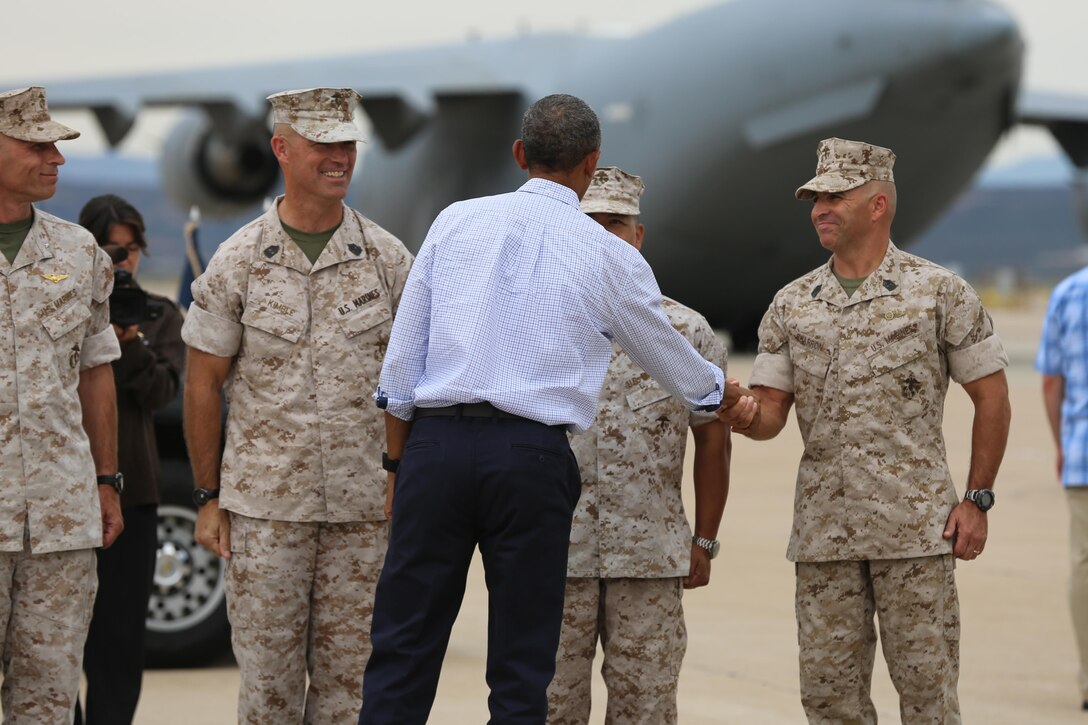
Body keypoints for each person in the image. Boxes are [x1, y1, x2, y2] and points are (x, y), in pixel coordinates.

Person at [361, 94, 728, 725]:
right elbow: (665, 351)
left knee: (403, 647)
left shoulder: (454, 222)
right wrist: (725, 396)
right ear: (592, 166)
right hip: (529, 457)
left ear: (519, 155)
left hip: (435, 449)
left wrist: (399, 467)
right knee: (523, 665)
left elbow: (401, 365)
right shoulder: (607, 251)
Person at [720, 137, 1011, 724]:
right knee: (829, 702)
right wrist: (743, 413)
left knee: (928, 699)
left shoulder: (938, 293)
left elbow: (993, 398)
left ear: (877, 204)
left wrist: (977, 499)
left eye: (834, 196)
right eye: (815, 198)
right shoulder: (791, 304)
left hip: (917, 534)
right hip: (825, 536)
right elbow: (772, 414)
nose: (819, 208)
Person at [181, 87, 413, 724]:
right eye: (323, 144)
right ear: (282, 148)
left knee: (353, 688)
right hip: (266, 513)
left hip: (365, 513)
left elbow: (411, 380)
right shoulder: (238, 261)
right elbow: (201, 384)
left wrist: (403, 477)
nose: (339, 157)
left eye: (347, 144)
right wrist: (207, 499)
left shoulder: (388, 259)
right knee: (268, 690)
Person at [546, 166, 730, 724]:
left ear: (639, 235)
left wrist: (705, 537)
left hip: (649, 561)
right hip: (554, 558)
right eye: (591, 222)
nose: (604, 235)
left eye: (617, 223)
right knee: (548, 708)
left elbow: (713, 443)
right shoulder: (541, 323)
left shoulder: (685, 332)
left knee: (645, 710)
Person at [0, 86, 123, 723]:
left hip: (59, 519)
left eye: (55, 145)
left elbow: (96, 373)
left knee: (48, 700)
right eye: (36, 145)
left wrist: (106, 481)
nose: (56, 158)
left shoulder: (79, 254)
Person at [75, 195, 185, 725]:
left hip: (134, 491)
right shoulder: (61, 306)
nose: (122, 262)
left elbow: (163, 391)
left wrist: (130, 339)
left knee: (120, 640)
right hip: (64, 488)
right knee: (52, 638)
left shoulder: (158, 315)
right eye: (110, 249)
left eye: (131, 249)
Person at [1036, 270, 1088, 711]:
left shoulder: (1070, 292)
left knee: (1085, 566)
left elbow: (1052, 382)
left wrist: (1061, 445)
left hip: (1083, 454)